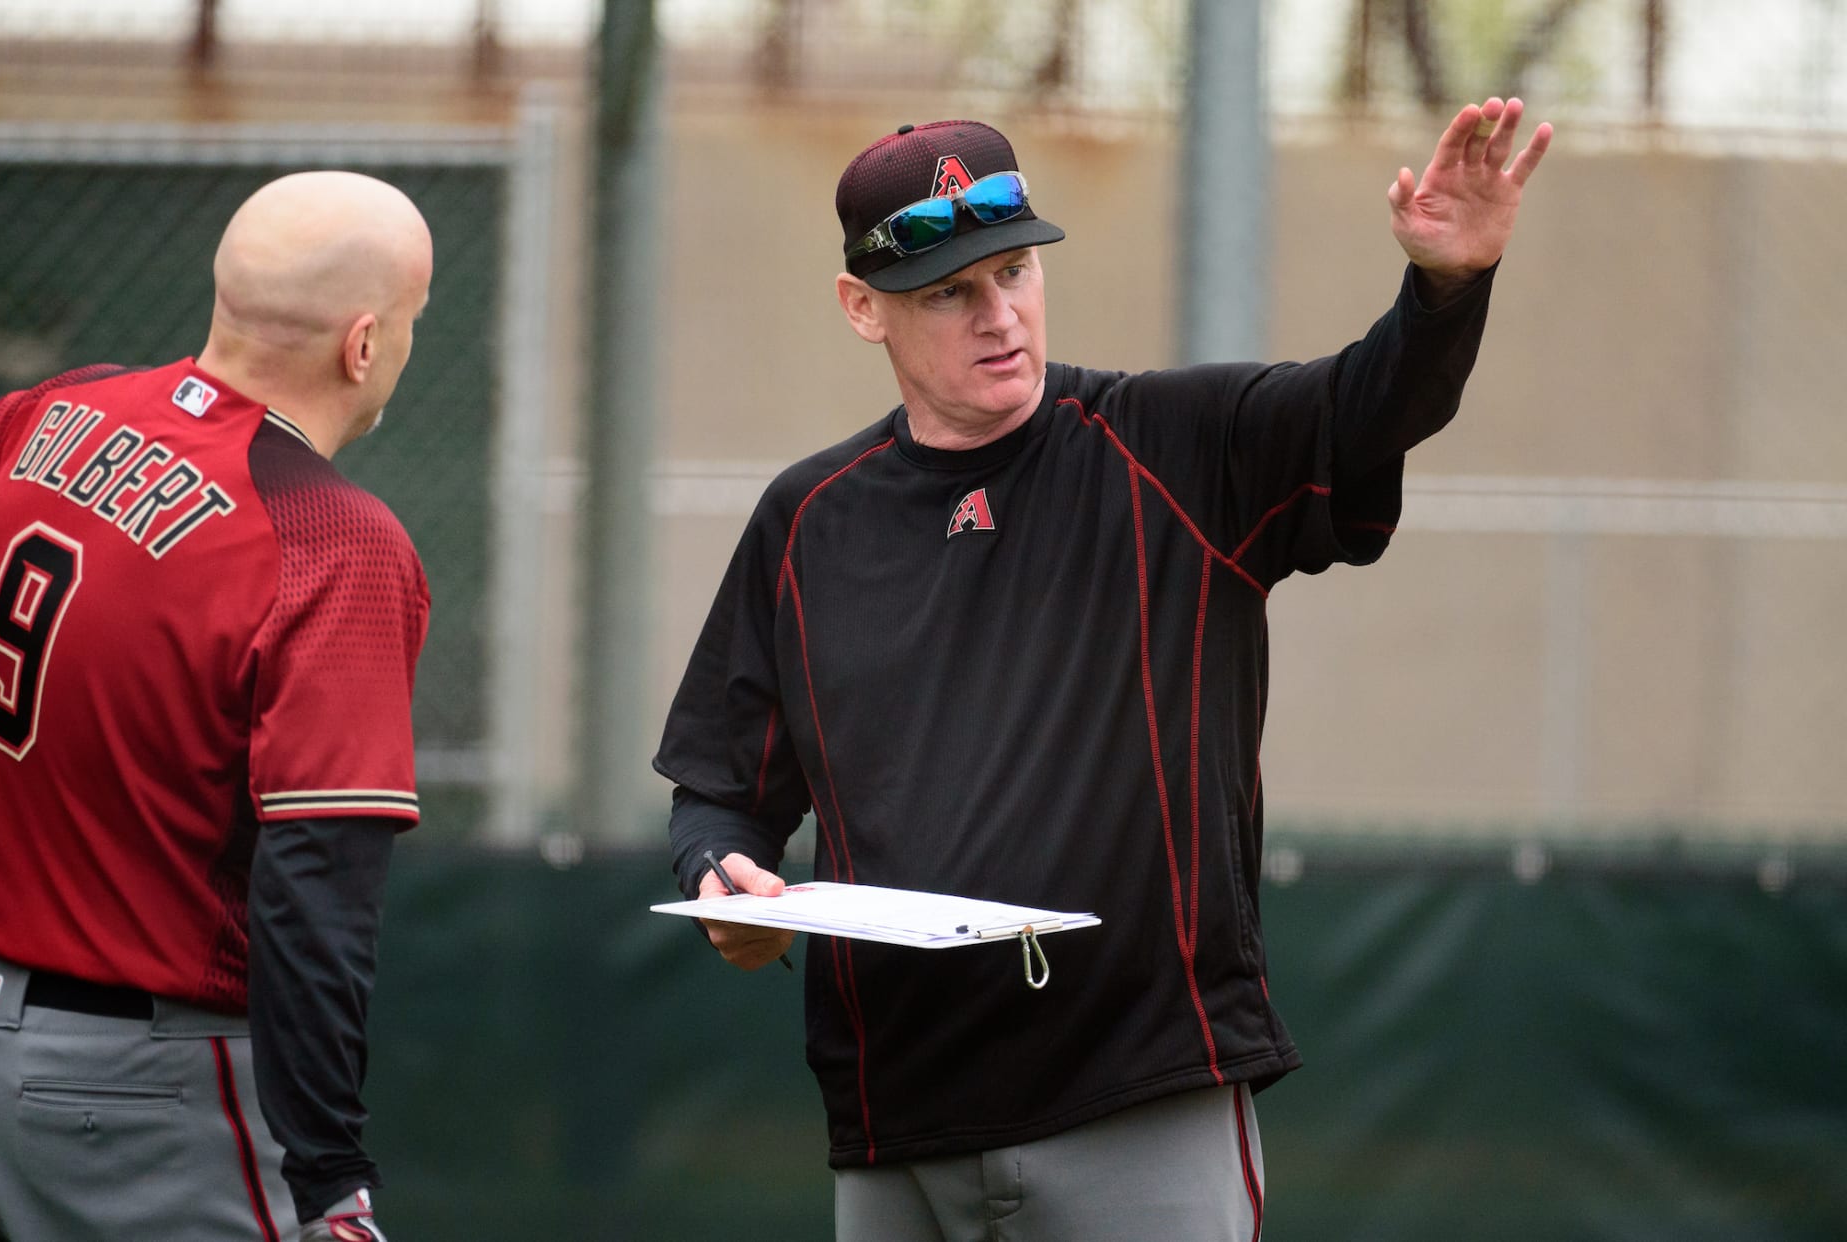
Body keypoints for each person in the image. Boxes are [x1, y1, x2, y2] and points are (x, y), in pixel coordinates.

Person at [656, 101, 1551, 1239]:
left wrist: (1446, 292)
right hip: (898, 1127)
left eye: (1016, 272)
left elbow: (1370, 406)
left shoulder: (1173, 443)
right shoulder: (806, 522)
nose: (1000, 315)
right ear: (861, 309)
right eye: (948, 292)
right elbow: (720, 786)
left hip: (1142, 1095)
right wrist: (721, 878)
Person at [0, 171, 434, 1242]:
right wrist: (331, 1173)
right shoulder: (337, 540)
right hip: (154, 1097)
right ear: (366, 343)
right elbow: (316, 894)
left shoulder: (64, 413)